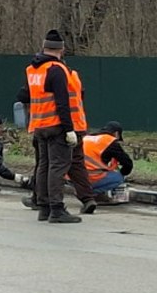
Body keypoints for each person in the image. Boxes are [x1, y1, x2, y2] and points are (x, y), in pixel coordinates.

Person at [26, 29, 81, 223]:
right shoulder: (56, 69)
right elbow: (62, 102)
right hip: (56, 125)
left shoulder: (33, 69)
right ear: (61, 49)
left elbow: (25, 95)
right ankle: (57, 209)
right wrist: (69, 129)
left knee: (44, 165)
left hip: (39, 125)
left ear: (44, 47)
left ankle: (44, 207)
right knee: (58, 167)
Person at [64, 55, 98, 215]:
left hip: (58, 125)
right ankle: (87, 198)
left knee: (52, 164)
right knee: (77, 164)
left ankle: (45, 200)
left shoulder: (52, 76)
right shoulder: (74, 76)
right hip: (78, 125)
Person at [83, 121, 133, 197]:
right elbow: (128, 164)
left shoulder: (86, 138)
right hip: (91, 178)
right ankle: (91, 193)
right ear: (116, 133)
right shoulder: (109, 141)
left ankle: (81, 191)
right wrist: (122, 174)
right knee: (118, 178)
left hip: (74, 178)